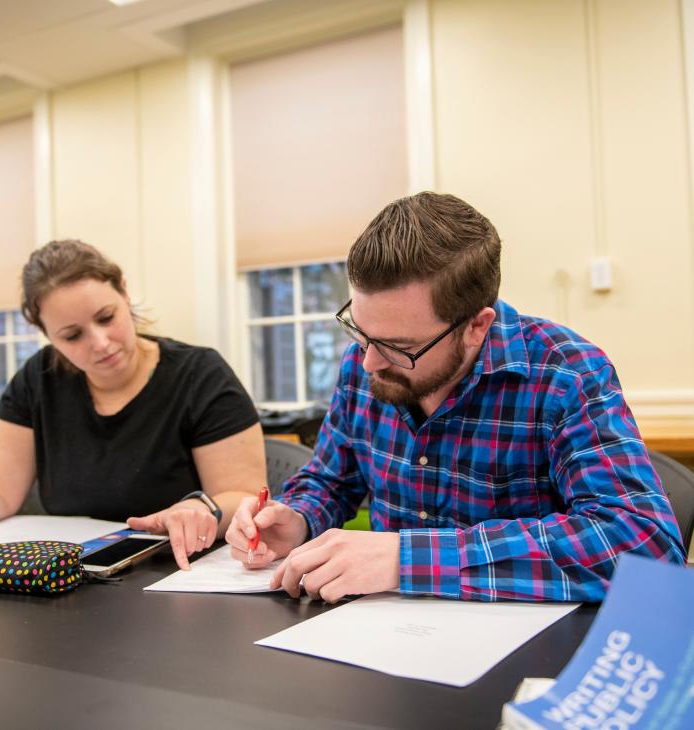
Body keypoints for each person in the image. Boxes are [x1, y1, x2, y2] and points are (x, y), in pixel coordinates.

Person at [226, 192, 686, 603]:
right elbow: (332, 480)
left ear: (476, 326)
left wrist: (409, 559)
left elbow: (643, 542)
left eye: (400, 348)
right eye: (360, 333)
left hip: (520, 650)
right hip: (381, 634)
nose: (369, 363)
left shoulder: (565, 373)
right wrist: (299, 518)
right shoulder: (363, 361)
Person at [0, 240, 266, 570]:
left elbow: (243, 496)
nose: (100, 343)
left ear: (124, 292)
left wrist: (201, 509)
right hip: (73, 576)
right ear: (47, 334)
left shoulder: (201, 375)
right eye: (72, 336)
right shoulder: (38, 379)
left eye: (106, 317)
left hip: (178, 572)